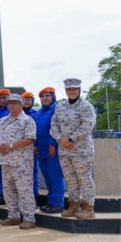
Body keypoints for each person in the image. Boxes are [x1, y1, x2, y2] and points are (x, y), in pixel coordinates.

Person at [50, 78, 96, 219]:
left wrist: (70, 139)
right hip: (64, 150)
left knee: (84, 178)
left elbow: (88, 125)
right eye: (69, 89)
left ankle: (88, 208)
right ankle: (74, 205)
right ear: (65, 90)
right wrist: (60, 139)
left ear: (79, 90)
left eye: (74, 89)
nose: (71, 91)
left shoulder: (85, 106)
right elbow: (54, 125)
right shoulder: (61, 106)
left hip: (81, 150)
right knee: (70, 179)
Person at [0, 94, 38, 229]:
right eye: (9, 103)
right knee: (8, 191)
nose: (11, 105)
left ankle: (29, 218)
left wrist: (11, 146)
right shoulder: (2, 121)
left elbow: (30, 139)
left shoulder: (27, 120)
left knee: (24, 191)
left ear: (21, 104)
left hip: (22, 163)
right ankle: (13, 216)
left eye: (14, 102)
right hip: (5, 161)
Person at [34, 87, 65, 213]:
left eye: (47, 95)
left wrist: (52, 144)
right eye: (42, 96)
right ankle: (51, 202)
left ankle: (58, 204)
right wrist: (35, 144)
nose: (45, 98)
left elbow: (59, 128)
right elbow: (36, 130)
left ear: (53, 97)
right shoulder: (40, 112)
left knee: (55, 177)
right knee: (47, 177)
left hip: (53, 150)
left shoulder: (57, 110)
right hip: (41, 150)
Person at [22, 91, 41, 198]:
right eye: (25, 100)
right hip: (18, 150)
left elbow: (37, 132)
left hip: (32, 148)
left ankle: (34, 195)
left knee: (33, 173)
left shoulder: (36, 114)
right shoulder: (17, 114)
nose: (27, 102)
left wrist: (35, 145)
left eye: (29, 100)